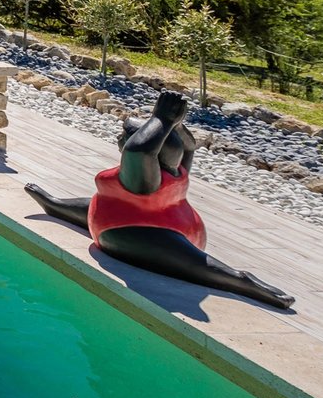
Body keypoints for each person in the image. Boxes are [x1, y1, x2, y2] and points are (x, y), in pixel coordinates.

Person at [25, 91, 293, 309]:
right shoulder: (176, 167)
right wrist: (176, 123)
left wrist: (162, 119)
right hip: (160, 220)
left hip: (137, 231)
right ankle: (53, 204)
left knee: (197, 266)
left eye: (126, 134)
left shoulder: (143, 177)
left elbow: (138, 151)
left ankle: (245, 282)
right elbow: (188, 145)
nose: (121, 137)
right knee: (92, 203)